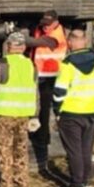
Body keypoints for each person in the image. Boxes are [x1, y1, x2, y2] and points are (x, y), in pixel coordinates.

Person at [0, 32, 41, 187]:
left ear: (8, 46)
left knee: (3, 153)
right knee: (21, 152)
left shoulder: (1, 64)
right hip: (23, 117)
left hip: (3, 117)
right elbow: (35, 92)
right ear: (24, 47)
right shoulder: (31, 65)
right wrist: (35, 116)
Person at [53, 29, 94, 187]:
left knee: (74, 150)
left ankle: (76, 185)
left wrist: (57, 110)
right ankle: (84, 181)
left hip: (71, 112)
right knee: (86, 149)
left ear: (70, 42)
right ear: (85, 41)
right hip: (90, 111)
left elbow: (59, 91)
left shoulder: (67, 64)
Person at [25, 10, 68, 171]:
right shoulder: (42, 28)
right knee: (38, 108)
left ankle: (42, 143)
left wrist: (18, 38)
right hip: (39, 75)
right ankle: (39, 137)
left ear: (56, 23)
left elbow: (36, 42)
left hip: (51, 77)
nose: (45, 27)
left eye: (48, 25)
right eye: (43, 24)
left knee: (44, 110)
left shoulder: (56, 36)